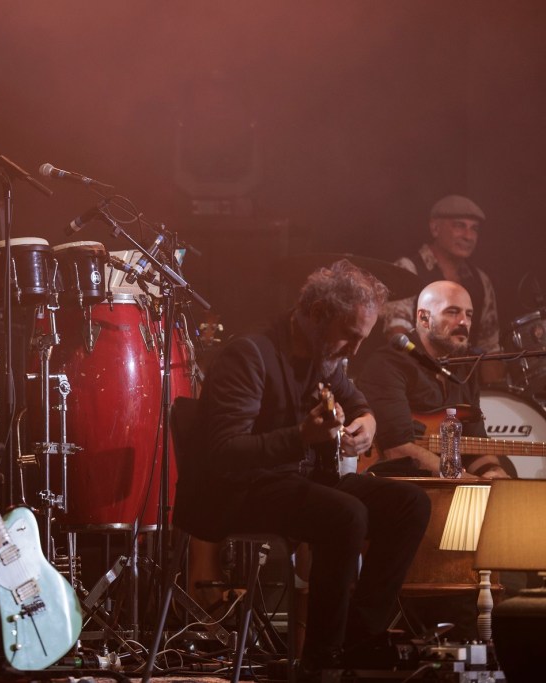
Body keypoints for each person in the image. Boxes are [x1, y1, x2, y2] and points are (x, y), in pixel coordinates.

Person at [172, 260, 431, 677]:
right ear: (316, 314)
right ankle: (321, 662)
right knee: (345, 514)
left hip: (294, 482)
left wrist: (367, 422)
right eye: (349, 336)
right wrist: (300, 437)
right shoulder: (249, 355)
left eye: (362, 339)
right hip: (237, 491)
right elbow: (224, 452)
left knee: (410, 503)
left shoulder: (323, 357)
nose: (354, 350)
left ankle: (357, 640)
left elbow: (357, 402)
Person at [358, 280, 511, 478]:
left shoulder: (465, 368)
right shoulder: (388, 364)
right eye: (453, 312)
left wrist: (492, 472)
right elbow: (397, 448)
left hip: (449, 481)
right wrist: (466, 480)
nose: (464, 322)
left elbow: (474, 442)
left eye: (469, 314)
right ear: (424, 318)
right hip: (402, 483)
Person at [382, 195, 503, 382]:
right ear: (435, 228)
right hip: (415, 384)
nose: (468, 236)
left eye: (474, 229)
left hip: (463, 387)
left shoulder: (481, 281)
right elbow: (397, 334)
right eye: (459, 226)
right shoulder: (408, 269)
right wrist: (429, 380)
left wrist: (496, 395)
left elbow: (490, 348)